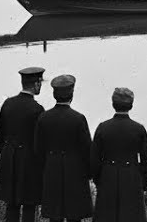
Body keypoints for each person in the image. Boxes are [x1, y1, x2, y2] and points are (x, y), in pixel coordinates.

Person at [36, 74, 93, 222]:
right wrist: (90, 172)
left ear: (54, 94)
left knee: (55, 214)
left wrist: (45, 168)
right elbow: (87, 149)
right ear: (71, 94)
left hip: (52, 168)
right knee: (75, 214)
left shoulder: (44, 117)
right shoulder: (78, 118)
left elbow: (38, 149)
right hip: (75, 170)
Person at [91, 87, 147, 222]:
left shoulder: (103, 127)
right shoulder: (138, 129)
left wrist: (99, 180)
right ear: (131, 105)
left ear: (113, 104)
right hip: (132, 178)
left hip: (108, 176)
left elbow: (94, 160)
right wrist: (142, 183)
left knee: (106, 217)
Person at [0, 67, 46, 222]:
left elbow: (0, 135)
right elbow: (39, 143)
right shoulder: (37, 109)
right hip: (29, 160)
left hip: (9, 157)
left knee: (11, 203)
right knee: (30, 204)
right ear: (37, 84)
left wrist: (7, 153)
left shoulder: (8, 103)